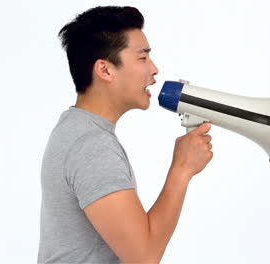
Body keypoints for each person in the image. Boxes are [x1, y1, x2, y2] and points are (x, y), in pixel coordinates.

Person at [38, 6, 213, 263]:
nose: (154, 69)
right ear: (105, 70)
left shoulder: (77, 130)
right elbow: (144, 256)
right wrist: (182, 169)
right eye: (143, 58)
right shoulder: (91, 146)